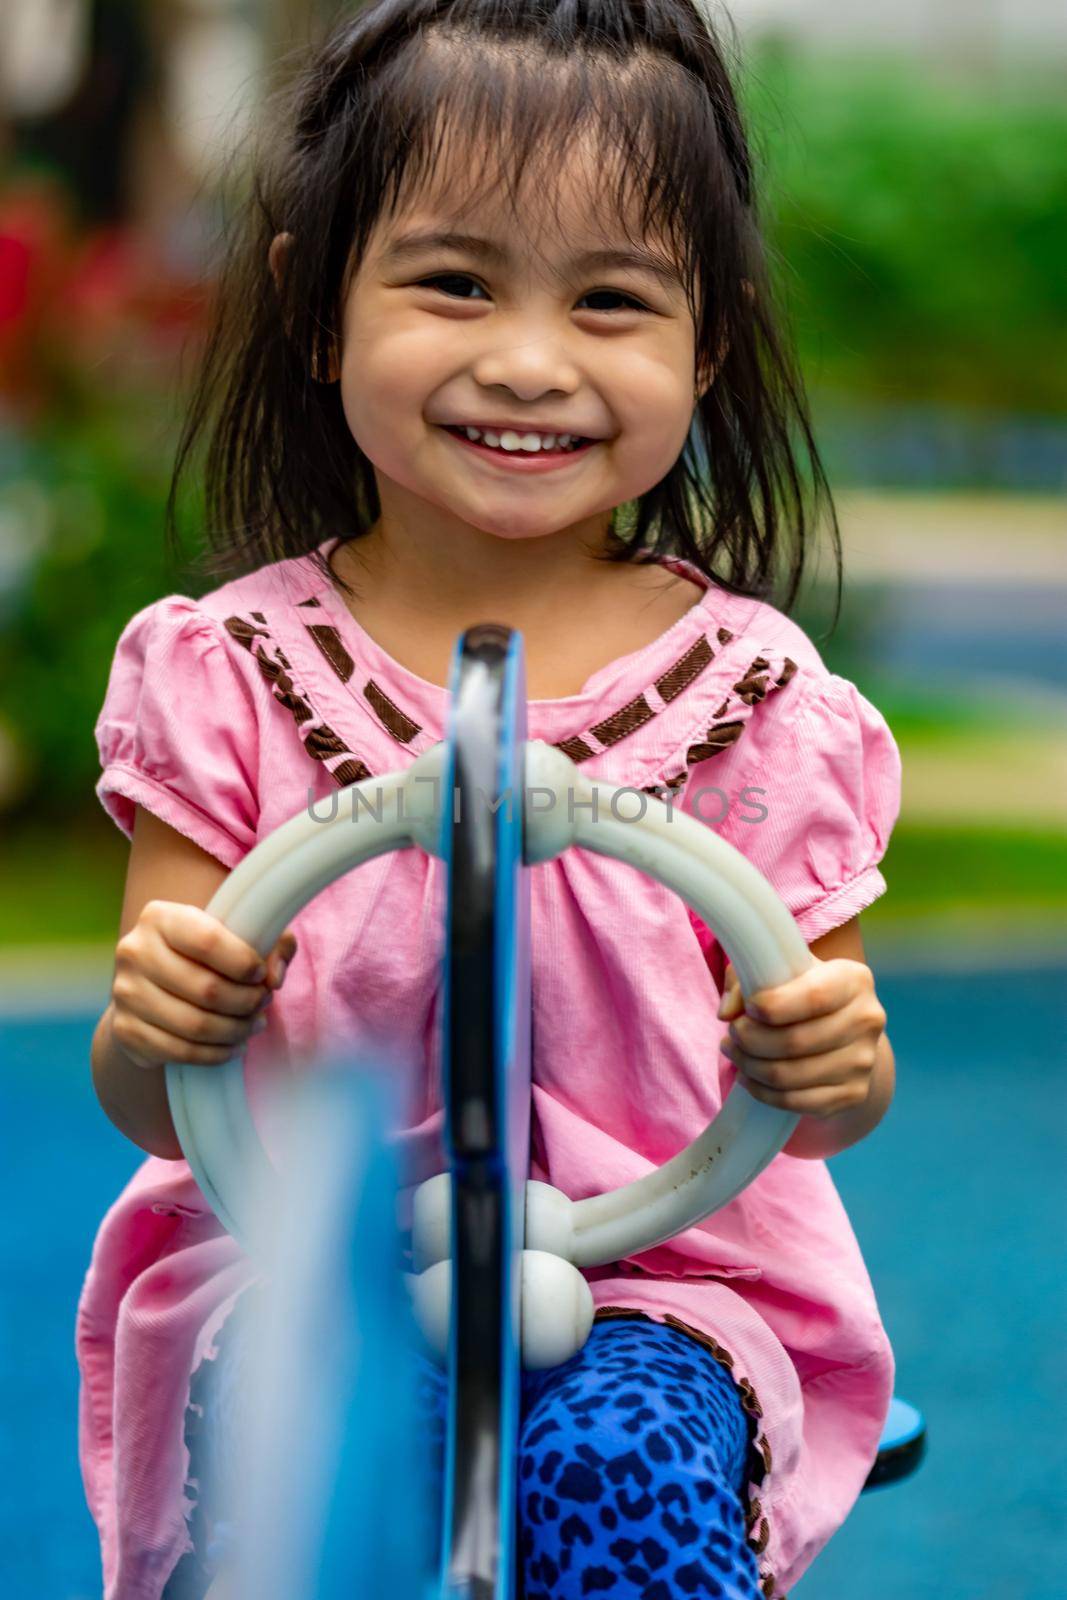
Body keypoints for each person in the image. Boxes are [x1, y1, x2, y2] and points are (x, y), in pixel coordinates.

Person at [77, 4, 904, 1597]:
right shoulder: (229, 673)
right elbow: (149, 1096)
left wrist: (828, 1059)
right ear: (316, 305)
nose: (529, 361)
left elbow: (824, 1098)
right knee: (314, 1441)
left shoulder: (761, 703)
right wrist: (164, 1022)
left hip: (674, 1275)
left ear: (705, 342)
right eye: (455, 283)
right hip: (307, 1264)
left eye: (610, 301)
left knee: (616, 1462)